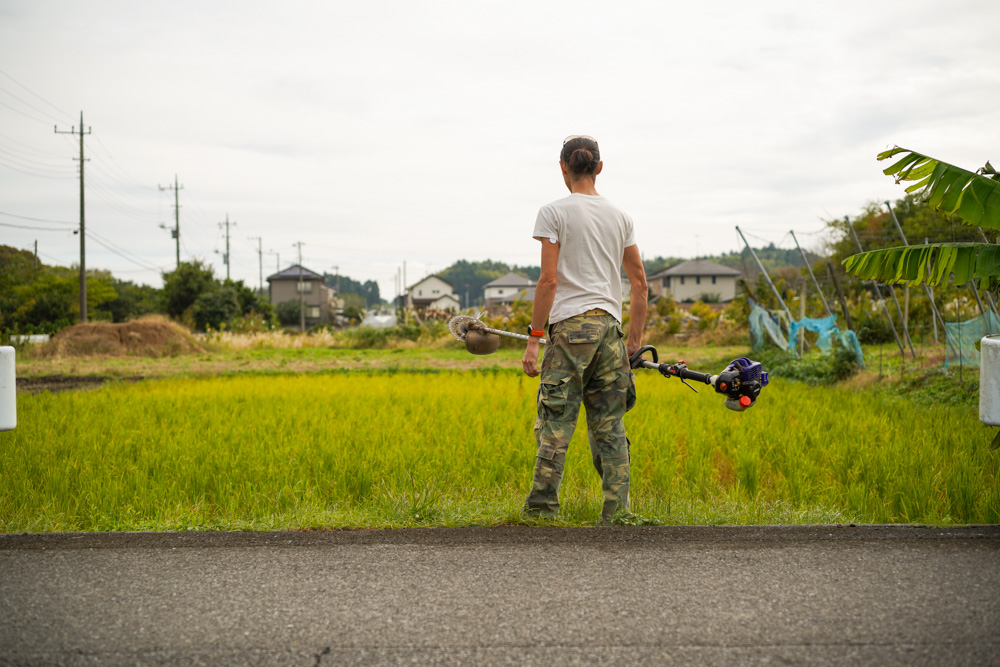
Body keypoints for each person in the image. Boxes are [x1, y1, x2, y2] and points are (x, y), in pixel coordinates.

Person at [522, 135, 647, 525]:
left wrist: (533, 339)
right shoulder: (620, 216)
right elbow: (640, 284)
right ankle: (618, 515)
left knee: (556, 422)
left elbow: (548, 282)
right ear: (599, 167)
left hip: (570, 330)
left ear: (563, 167)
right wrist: (634, 341)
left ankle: (542, 512)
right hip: (610, 331)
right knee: (609, 426)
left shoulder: (553, 212)